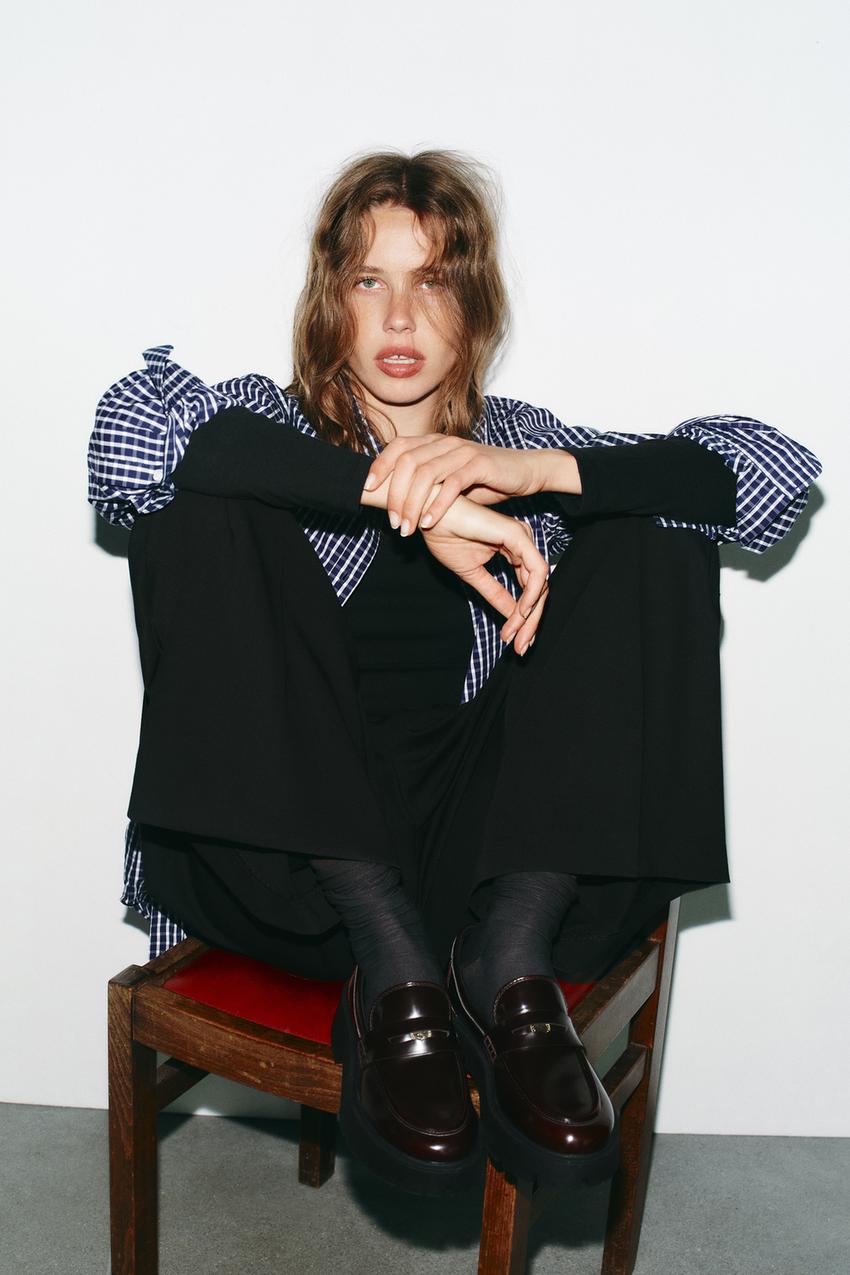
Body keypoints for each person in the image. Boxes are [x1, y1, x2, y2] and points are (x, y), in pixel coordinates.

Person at [88, 149, 821, 1197]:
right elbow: (128, 428)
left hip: (487, 873)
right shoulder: (263, 425)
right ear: (328, 302)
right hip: (292, 876)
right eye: (367, 281)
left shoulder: (513, 444)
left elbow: (766, 473)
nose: (397, 320)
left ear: (472, 308)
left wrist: (533, 476)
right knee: (204, 500)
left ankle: (507, 971)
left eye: (431, 280)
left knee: (650, 521)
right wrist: (400, 500)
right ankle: (388, 963)